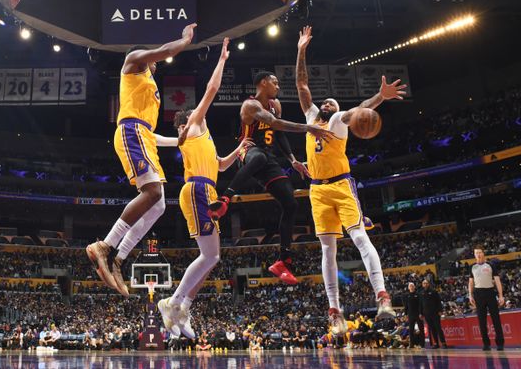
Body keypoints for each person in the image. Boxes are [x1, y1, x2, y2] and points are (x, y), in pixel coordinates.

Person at [294, 26, 404, 333]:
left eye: (333, 103)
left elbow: (361, 110)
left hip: (341, 186)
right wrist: (302, 48)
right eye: (325, 103)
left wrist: (379, 98)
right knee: (327, 251)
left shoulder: (338, 122)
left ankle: (382, 297)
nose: (328, 104)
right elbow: (302, 84)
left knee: (359, 239)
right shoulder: (310, 118)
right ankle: (335, 312)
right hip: (317, 191)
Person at [87, 24, 196, 295]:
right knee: (153, 191)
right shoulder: (133, 61)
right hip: (130, 131)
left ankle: (119, 258)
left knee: (158, 205)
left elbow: (150, 132)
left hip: (143, 135)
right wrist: (184, 40)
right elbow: (162, 51)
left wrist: (176, 142)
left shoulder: (151, 87)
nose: (156, 62)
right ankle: (105, 246)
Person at [155, 38, 252, 339]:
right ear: (187, 122)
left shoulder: (206, 141)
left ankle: (183, 305)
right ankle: (173, 301)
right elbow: (211, 90)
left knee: (213, 257)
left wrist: (239, 150)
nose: (203, 111)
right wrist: (221, 60)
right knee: (209, 256)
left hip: (206, 189)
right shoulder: (194, 127)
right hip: (196, 190)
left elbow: (221, 166)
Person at [208, 69, 334, 285]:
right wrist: (307, 128)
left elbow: (279, 134)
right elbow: (275, 124)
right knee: (260, 158)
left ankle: (283, 260)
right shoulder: (250, 105)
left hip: (268, 157)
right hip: (248, 151)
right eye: (275, 83)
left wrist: (293, 160)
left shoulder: (276, 105)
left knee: (291, 203)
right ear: (263, 83)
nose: (278, 86)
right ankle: (225, 199)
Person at [468, 247, 504, 351]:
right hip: (478, 294)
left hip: (490, 292)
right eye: (476, 253)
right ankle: (486, 344)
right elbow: (470, 283)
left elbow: (497, 281)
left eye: (480, 252)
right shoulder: (472, 267)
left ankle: (500, 343)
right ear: (474, 255)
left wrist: (501, 295)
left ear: (483, 253)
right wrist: (470, 295)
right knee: (481, 321)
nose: (478, 254)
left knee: (496, 319)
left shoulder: (490, 265)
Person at [420, 279, 446, 348]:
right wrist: (421, 313)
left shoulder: (434, 291)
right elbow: (421, 304)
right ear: (422, 285)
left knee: (438, 328)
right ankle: (436, 343)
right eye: (424, 283)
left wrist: (440, 310)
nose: (425, 284)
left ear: (428, 284)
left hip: (435, 313)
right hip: (427, 314)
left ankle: (443, 343)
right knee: (432, 329)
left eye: (426, 283)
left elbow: (438, 301)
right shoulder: (421, 293)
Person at [405, 282, 424, 349]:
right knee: (411, 330)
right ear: (408, 288)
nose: (411, 287)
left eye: (412, 286)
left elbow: (420, 304)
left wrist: (421, 313)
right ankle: (411, 344)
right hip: (410, 315)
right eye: (410, 286)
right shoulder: (407, 295)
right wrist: (406, 314)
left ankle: (422, 344)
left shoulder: (418, 294)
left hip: (418, 314)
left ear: (414, 287)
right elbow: (406, 306)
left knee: (421, 329)